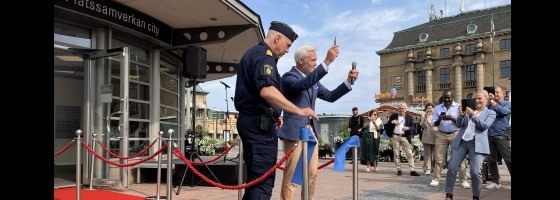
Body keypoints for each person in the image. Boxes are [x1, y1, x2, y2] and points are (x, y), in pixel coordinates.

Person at [233, 21, 318, 200]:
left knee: (257, 180)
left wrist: (272, 114)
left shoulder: (255, 54)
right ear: (277, 38)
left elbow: (259, 94)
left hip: (257, 121)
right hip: (258, 126)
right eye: (287, 45)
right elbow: (267, 90)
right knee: (262, 184)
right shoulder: (265, 56)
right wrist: (299, 110)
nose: (288, 50)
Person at [277, 44, 358, 200]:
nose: (316, 63)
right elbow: (303, 84)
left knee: (311, 175)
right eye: (313, 60)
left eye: (317, 60)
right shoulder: (289, 77)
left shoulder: (313, 80)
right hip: (295, 133)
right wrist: (327, 62)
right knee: (293, 177)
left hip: (311, 132)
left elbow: (330, 96)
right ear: (301, 61)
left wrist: (348, 81)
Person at [444, 90, 496, 200]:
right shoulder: (468, 111)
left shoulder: (491, 113)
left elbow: (484, 126)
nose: (476, 100)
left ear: (486, 100)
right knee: (452, 167)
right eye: (475, 99)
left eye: (479, 98)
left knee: (475, 172)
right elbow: (458, 124)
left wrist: (472, 115)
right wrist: (461, 115)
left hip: (477, 144)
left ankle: (476, 196)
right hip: (461, 142)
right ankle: (449, 194)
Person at [429, 90, 470, 188]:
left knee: (460, 158)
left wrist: (452, 118)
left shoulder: (458, 107)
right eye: (445, 98)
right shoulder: (438, 108)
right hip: (441, 134)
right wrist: (439, 119)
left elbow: (464, 122)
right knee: (439, 158)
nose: (446, 99)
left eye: (449, 97)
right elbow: (433, 123)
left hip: (455, 134)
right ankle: (436, 179)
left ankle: (463, 180)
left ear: (453, 96)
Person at [485, 86, 511, 189]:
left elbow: (503, 112)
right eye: (494, 92)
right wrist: (488, 101)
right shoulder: (490, 104)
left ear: (503, 94)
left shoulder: (507, 104)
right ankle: (495, 181)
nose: (495, 94)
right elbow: (484, 112)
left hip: (501, 135)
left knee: (508, 159)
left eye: (497, 92)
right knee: (491, 160)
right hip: (490, 135)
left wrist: (493, 102)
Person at [384, 102, 421, 176]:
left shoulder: (409, 117)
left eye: (403, 108)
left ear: (406, 109)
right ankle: (399, 169)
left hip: (405, 137)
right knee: (396, 154)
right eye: (400, 108)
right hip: (395, 136)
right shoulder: (394, 115)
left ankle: (412, 170)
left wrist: (408, 128)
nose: (401, 110)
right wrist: (392, 122)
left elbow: (413, 127)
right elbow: (387, 125)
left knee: (409, 153)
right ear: (398, 109)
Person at [420, 102, 437, 175]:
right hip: (427, 136)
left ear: (433, 109)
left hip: (436, 136)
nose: (429, 109)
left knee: (434, 155)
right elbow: (423, 126)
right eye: (428, 108)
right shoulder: (423, 115)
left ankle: (433, 168)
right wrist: (425, 117)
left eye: (430, 108)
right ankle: (427, 168)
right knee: (427, 154)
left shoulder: (436, 115)